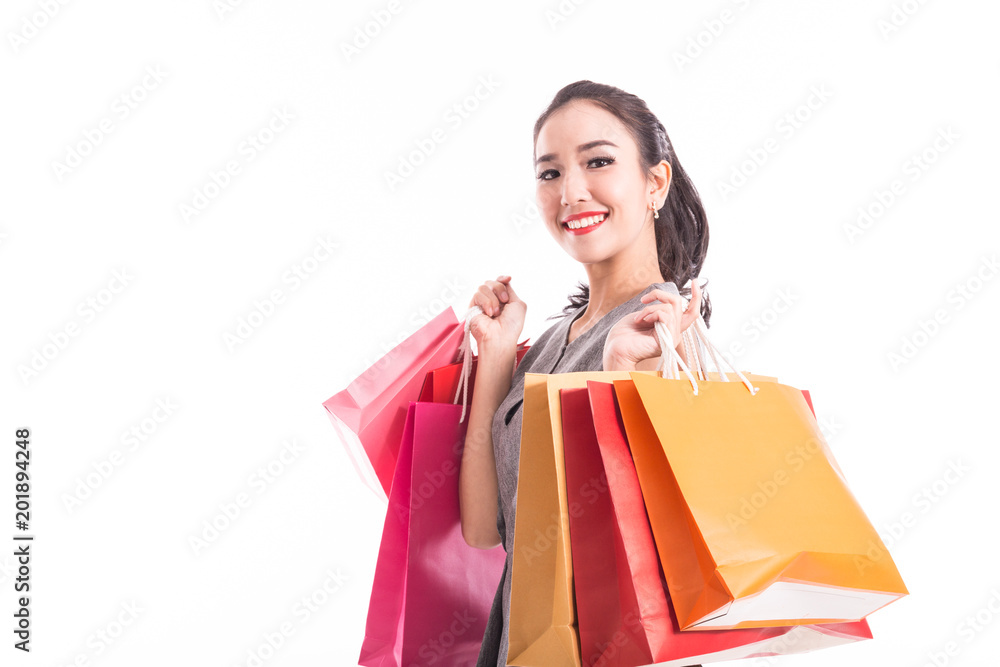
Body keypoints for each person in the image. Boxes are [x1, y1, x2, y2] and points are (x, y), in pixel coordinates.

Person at [459, 79, 709, 667]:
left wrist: (622, 375)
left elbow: (622, 548)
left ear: (655, 182)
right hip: (525, 641)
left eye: (598, 162)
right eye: (550, 173)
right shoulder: (552, 340)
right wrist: (496, 359)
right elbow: (482, 529)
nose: (571, 191)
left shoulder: (662, 336)